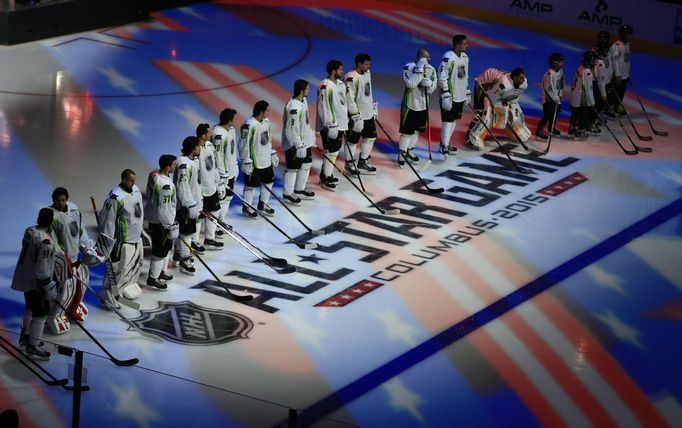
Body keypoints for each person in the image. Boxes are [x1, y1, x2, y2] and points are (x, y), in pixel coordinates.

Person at [47, 187, 101, 334]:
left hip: (76, 256)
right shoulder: (50, 215)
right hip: (63, 261)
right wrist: (61, 256)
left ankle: (74, 306)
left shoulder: (73, 208)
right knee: (64, 291)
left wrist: (87, 245)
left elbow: (80, 229)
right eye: (57, 200)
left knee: (81, 285)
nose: (60, 203)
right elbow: (51, 240)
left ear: (67, 199)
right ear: (53, 199)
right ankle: (56, 315)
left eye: (63, 200)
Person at [11, 208, 60, 360]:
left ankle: (25, 337)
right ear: (51, 221)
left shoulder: (30, 230)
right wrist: (48, 285)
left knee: (30, 308)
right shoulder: (46, 241)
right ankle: (33, 345)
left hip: (24, 277)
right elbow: (42, 269)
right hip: (35, 281)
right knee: (41, 312)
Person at [97, 169, 145, 305]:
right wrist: (107, 241)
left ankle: (126, 284)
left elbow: (139, 213)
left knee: (131, 265)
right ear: (124, 180)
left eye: (134, 180)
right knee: (116, 266)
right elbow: (108, 220)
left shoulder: (135, 190)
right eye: (131, 180)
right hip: (121, 240)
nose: (134, 183)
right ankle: (107, 291)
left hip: (135, 236)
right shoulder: (116, 197)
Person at [466, 67, 529, 149]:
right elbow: (491, 97)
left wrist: (506, 102)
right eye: (521, 78)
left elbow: (514, 98)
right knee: (484, 112)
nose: (523, 80)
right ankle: (472, 136)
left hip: (496, 90)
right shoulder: (504, 84)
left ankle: (518, 132)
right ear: (515, 77)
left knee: (514, 110)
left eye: (523, 77)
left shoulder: (523, 84)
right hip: (484, 85)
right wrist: (502, 105)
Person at [144, 155, 178, 290]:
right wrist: (168, 223)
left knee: (166, 247)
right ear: (168, 167)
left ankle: (160, 272)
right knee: (160, 250)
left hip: (155, 217)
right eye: (174, 165)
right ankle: (153, 278)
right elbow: (164, 208)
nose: (175, 167)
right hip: (161, 221)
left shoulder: (155, 175)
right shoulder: (166, 185)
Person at [398, 48, 437, 166]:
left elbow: (433, 87)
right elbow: (411, 84)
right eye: (427, 57)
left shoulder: (431, 69)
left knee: (416, 131)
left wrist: (429, 84)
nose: (429, 59)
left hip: (423, 105)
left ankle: (410, 151)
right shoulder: (408, 67)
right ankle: (401, 154)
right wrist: (419, 71)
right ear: (421, 58)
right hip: (410, 104)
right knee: (406, 132)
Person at [239, 100, 278, 216]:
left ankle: (263, 204)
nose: (268, 113)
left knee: (269, 181)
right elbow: (242, 143)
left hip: (266, 160)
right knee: (251, 185)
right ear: (261, 112)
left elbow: (268, 138)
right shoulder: (249, 125)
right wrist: (245, 160)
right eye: (267, 110)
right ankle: (247, 207)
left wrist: (271, 152)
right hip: (254, 162)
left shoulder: (266, 121)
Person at [282, 79, 316, 205]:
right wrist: (297, 144)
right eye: (307, 88)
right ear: (302, 91)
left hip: (304, 142)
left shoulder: (303, 101)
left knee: (306, 164)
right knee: (292, 168)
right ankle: (287, 194)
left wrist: (310, 134)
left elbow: (304, 123)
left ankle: (299, 189)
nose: (309, 90)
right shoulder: (293, 107)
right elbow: (291, 129)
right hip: (295, 145)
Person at [316, 60, 347, 191]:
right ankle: (325, 178)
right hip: (330, 126)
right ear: (333, 71)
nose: (342, 71)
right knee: (332, 151)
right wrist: (331, 125)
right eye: (340, 69)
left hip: (340, 124)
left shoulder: (340, 84)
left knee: (333, 151)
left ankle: (325, 174)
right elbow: (324, 108)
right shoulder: (325, 86)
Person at [345, 53, 378, 174]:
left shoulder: (367, 73)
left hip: (368, 113)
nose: (368, 66)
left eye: (369, 64)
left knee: (370, 137)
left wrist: (373, 107)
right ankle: (349, 163)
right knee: (352, 140)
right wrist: (355, 116)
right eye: (366, 64)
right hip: (357, 116)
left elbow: (368, 92)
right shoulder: (351, 78)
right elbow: (350, 98)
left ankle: (363, 161)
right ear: (359, 64)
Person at [437, 34, 469, 157]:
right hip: (450, 96)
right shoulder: (448, 58)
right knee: (447, 121)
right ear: (457, 45)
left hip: (460, 95)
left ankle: (445, 143)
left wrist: (466, 91)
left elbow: (465, 76)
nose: (467, 46)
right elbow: (442, 77)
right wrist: (445, 94)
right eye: (464, 44)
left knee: (454, 120)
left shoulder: (465, 57)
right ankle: (444, 146)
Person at [174, 137, 202, 275]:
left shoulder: (193, 161)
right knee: (187, 233)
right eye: (198, 146)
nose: (200, 148)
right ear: (193, 148)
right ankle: (185, 260)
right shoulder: (183, 164)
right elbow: (182, 186)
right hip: (186, 206)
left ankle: (178, 254)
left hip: (194, 203)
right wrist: (189, 204)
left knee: (187, 231)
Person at [196, 123, 224, 251]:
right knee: (199, 217)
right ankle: (194, 242)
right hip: (201, 190)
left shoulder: (210, 145)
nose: (211, 134)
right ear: (203, 136)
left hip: (211, 187)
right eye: (208, 133)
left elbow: (214, 166)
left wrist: (219, 183)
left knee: (215, 210)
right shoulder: (196, 151)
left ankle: (209, 239)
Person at [212, 108, 239, 224]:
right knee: (220, 199)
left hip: (231, 171)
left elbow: (232, 152)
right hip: (222, 174)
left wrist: (235, 166)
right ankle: (216, 224)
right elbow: (218, 156)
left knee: (228, 197)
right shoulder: (218, 134)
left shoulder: (231, 130)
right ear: (229, 120)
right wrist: (222, 174)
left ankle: (221, 221)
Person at [568, 51, 598, 139]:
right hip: (581, 98)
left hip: (574, 95)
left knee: (574, 113)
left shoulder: (580, 68)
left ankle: (572, 128)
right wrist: (592, 103)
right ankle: (580, 131)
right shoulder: (587, 72)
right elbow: (588, 90)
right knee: (583, 115)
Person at [536, 52, 565, 140]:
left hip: (556, 97)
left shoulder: (560, 71)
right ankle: (539, 131)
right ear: (555, 63)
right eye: (560, 62)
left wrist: (560, 95)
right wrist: (557, 100)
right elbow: (549, 90)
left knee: (554, 114)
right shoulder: (550, 74)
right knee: (547, 115)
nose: (562, 63)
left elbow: (562, 83)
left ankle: (551, 128)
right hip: (548, 98)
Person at [610, 24, 634, 112]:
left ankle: (617, 105)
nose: (629, 36)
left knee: (621, 92)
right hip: (618, 75)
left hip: (625, 74)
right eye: (627, 34)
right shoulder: (616, 46)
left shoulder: (627, 44)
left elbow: (626, 61)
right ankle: (610, 107)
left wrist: (627, 73)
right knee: (614, 92)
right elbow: (615, 61)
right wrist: (617, 74)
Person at [593, 41, 617, 117]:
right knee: (598, 102)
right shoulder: (600, 64)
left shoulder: (606, 57)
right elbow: (600, 81)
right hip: (599, 86)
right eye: (606, 51)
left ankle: (598, 115)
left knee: (600, 103)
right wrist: (603, 94)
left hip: (606, 82)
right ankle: (595, 117)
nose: (607, 52)